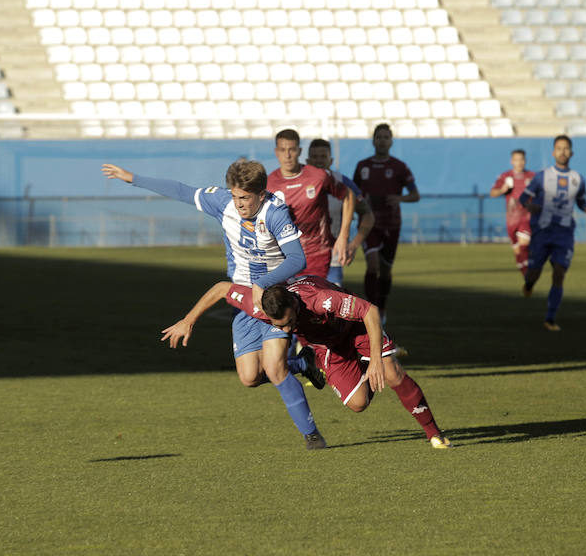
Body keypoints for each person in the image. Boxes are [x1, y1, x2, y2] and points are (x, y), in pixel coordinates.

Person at [101, 159, 327, 449]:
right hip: (243, 299)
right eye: (235, 196)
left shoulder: (275, 213)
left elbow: (297, 259)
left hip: (274, 297)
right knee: (249, 378)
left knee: (273, 367)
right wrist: (132, 178)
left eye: (245, 198)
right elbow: (182, 191)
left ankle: (312, 435)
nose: (239, 203)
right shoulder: (222, 202)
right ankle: (301, 362)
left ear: (261, 193)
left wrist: (263, 284)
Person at [161, 276, 452, 449]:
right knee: (358, 404)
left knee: (391, 372)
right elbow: (222, 288)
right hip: (328, 347)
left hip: (357, 329)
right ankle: (327, 362)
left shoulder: (321, 300)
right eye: (279, 325)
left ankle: (434, 435)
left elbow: (370, 311)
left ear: (294, 305)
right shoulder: (262, 307)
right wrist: (188, 321)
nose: (286, 330)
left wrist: (376, 358)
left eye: (288, 323)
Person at [519, 135, 586, 331]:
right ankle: (529, 284)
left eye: (566, 148)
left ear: (571, 153)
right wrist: (529, 206)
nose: (562, 152)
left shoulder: (578, 179)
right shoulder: (541, 177)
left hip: (564, 233)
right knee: (534, 273)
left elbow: (581, 202)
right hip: (542, 231)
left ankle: (550, 319)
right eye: (559, 148)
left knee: (559, 273)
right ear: (553, 152)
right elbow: (524, 197)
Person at [352, 123, 419, 321]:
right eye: (378, 137)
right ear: (373, 141)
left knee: (386, 271)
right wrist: (360, 206)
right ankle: (371, 310)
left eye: (385, 137)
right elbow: (354, 193)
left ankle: (382, 306)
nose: (382, 140)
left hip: (391, 224)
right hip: (369, 224)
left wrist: (399, 199)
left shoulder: (399, 167)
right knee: (372, 265)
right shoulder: (362, 166)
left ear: (391, 141)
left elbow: (415, 195)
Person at [266, 129, 355, 279]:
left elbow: (348, 195)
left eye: (292, 149)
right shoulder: (269, 184)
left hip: (317, 253)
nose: (287, 155)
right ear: (276, 152)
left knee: (310, 299)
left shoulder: (318, 176)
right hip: (283, 256)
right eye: (282, 150)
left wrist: (343, 236)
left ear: (300, 151)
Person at [306, 138, 375, 287]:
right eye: (314, 157)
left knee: (330, 307)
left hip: (332, 260)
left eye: (323, 157)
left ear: (330, 160)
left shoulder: (343, 183)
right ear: (307, 160)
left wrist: (353, 244)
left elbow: (368, 215)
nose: (319, 161)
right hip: (301, 261)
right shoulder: (297, 183)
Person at [490, 149, 536, 277]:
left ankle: (528, 274)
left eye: (521, 159)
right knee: (518, 252)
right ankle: (524, 271)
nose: (519, 162)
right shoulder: (505, 177)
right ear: (512, 161)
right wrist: (502, 190)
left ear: (525, 160)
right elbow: (492, 193)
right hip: (512, 219)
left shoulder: (532, 176)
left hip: (527, 217)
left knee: (524, 244)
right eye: (516, 159)